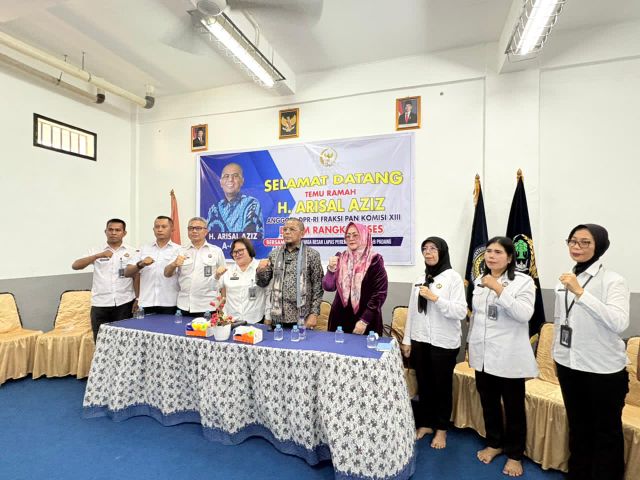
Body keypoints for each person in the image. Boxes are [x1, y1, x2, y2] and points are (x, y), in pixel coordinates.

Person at [553, 224, 629, 480]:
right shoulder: (565, 278)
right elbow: (560, 321)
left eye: (585, 242)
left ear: (599, 246)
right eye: (573, 241)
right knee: (578, 427)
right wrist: (556, 355)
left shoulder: (613, 280)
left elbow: (619, 322)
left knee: (606, 433)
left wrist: (581, 293)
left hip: (603, 370)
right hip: (569, 365)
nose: (577, 247)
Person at [468, 236, 537, 477]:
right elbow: (478, 317)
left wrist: (498, 288)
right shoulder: (479, 280)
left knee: (514, 407)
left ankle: (515, 455)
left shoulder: (523, 281)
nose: (491, 256)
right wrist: (470, 346)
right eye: (489, 251)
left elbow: (524, 314)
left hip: (509, 356)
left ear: (509, 258)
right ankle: (494, 443)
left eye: (498, 252)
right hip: (483, 354)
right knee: (489, 403)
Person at [401, 237, 467, 448]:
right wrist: (407, 339)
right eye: (425, 249)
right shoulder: (420, 278)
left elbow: (460, 311)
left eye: (433, 249)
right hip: (420, 340)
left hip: (443, 342)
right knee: (424, 384)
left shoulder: (453, 278)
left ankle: (441, 429)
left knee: (442, 387)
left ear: (442, 252)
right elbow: (412, 311)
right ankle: (426, 423)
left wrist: (435, 298)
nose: (428, 252)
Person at [72, 218, 137, 341]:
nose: (113, 233)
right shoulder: (96, 250)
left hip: (125, 302)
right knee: (101, 341)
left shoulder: (132, 251)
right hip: (100, 303)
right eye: (110, 230)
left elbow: (136, 276)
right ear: (105, 231)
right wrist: (98, 255)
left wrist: (138, 299)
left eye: (117, 230)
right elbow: (75, 266)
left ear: (124, 233)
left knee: (124, 341)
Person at [255, 218, 323, 328]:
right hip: (277, 318)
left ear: (302, 233)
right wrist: (260, 270)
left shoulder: (312, 255)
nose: (287, 232)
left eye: (292, 229)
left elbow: (318, 286)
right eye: (285, 229)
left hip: (302, 318)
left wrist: (314, 314)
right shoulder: (274, 254)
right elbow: (262, 283)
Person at [322, 222, 388, 336]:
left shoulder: (375, 260)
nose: (351, 238)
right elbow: (328, 287)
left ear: (364, 236)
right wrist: (331, 269)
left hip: (365, 319)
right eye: (348, 236)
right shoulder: (340, 257)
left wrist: (364, 320)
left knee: (366, 347)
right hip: (340, 319)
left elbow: (380, 293)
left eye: (355, 235)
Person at [164, 217, 225, 316]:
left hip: (208, 306)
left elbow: (223, 278)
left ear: (206, 231)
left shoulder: (216, 251)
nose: (194, 231)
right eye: (191, 228)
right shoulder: (180, 250)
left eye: (198, 228)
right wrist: (174, 264)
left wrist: (222, 304)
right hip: (184, 306)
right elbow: (166, 274)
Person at [124, 216, 180, 315]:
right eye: (157, 227)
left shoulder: (179, 250)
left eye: (164, 227)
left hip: (170, 303)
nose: (160, 229)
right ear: (153, 229)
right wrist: (141, 264)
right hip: (146, 303)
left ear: (172, 229)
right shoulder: (144, 248)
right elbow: (127, 272)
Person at [215, 238, 266, 324]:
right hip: (232, 320)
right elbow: (213, 288)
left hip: (256, 320)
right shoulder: (228, 271)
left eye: (241, 251)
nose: (237, 254)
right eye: (234, 252)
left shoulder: (261, 267)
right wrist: (216, 276)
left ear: (249, 249)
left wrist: (268, 318)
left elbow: (269, 293)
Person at [206, 162, 264, 236]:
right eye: (226, 176)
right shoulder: (214, 209)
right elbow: (209, 236)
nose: (230, 179)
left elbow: (251, 235)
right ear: (221, 182)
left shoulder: (251, 204)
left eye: (235, 176)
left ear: (242, 181)